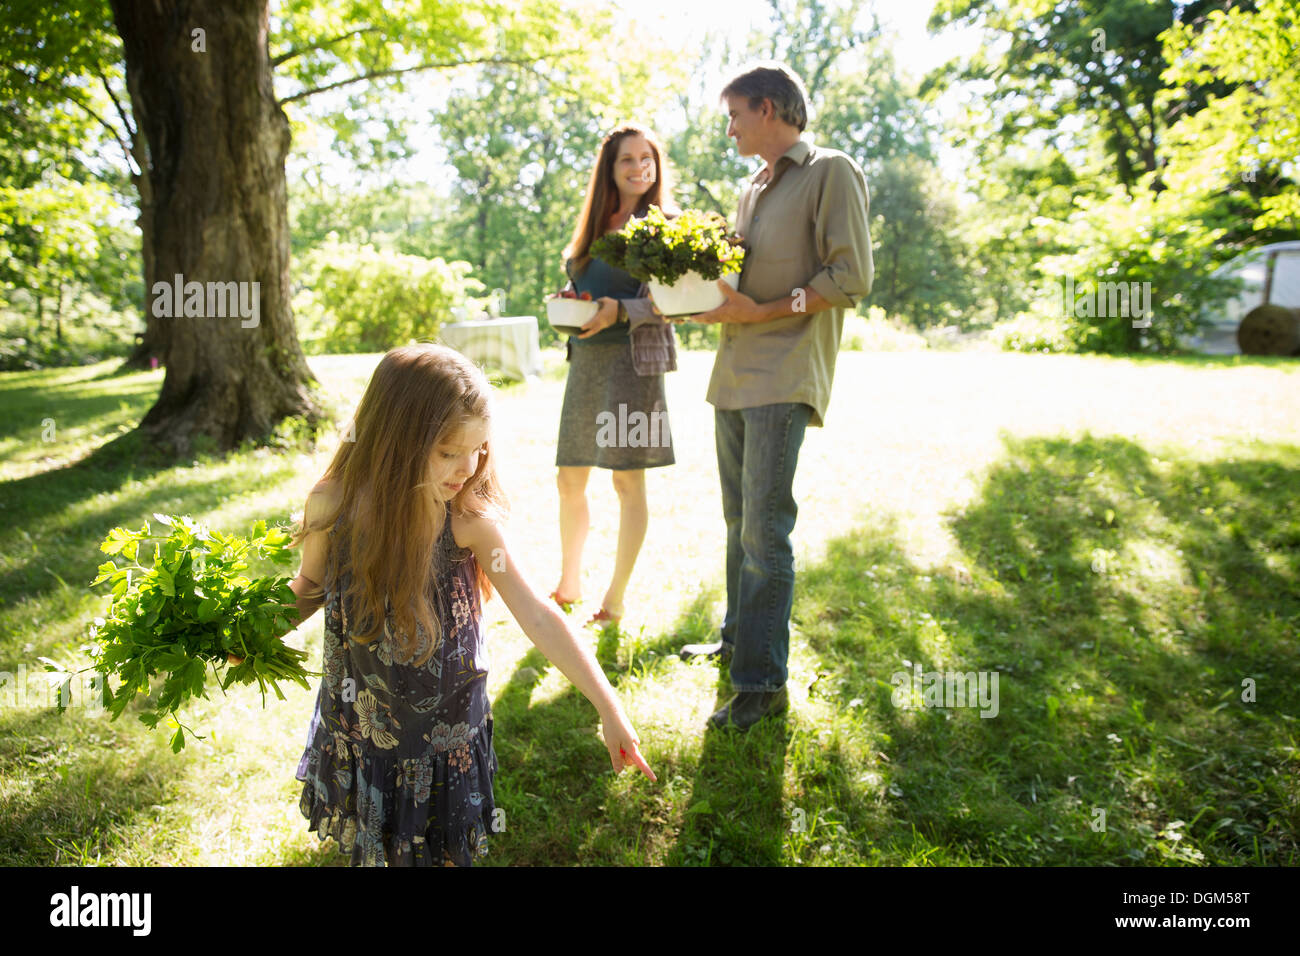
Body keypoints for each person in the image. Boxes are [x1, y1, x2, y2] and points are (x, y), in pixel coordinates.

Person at [268, 344, 655, 866]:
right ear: (395, 440)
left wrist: (609, 708)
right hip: (365, 728)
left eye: (478, 450)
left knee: (446, 852)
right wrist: (245, 633)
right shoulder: (334, 505)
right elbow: (309, 587)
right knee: (379, 846)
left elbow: (538, 614)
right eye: (449, 452)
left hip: (447, 736)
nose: (467, 468)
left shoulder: (468, 523)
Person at [676, 63, 874, 731]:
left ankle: (760, 686)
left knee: (766, 531)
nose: (729, 129)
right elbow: (740, 282)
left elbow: (849, 276)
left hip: (784, 371)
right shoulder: (752, 186)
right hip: (733, 373)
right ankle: (739, 642)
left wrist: (762, 312)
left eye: (735, 115)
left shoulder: (830, 171)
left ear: (768, 108)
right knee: (740, 523)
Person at [551, 123, 680, 628]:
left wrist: (620, 311)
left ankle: (616, 598)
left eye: (647, 158)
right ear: (609, 168)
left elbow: (674, 305)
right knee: (569, 479)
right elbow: (586, 288)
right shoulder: (593, 227)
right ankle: (569, 582)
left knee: (627, 484)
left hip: (633, 368)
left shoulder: (666, 226)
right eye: (628, 159)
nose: (639, 167)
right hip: (585, 366)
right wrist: (572, 305)